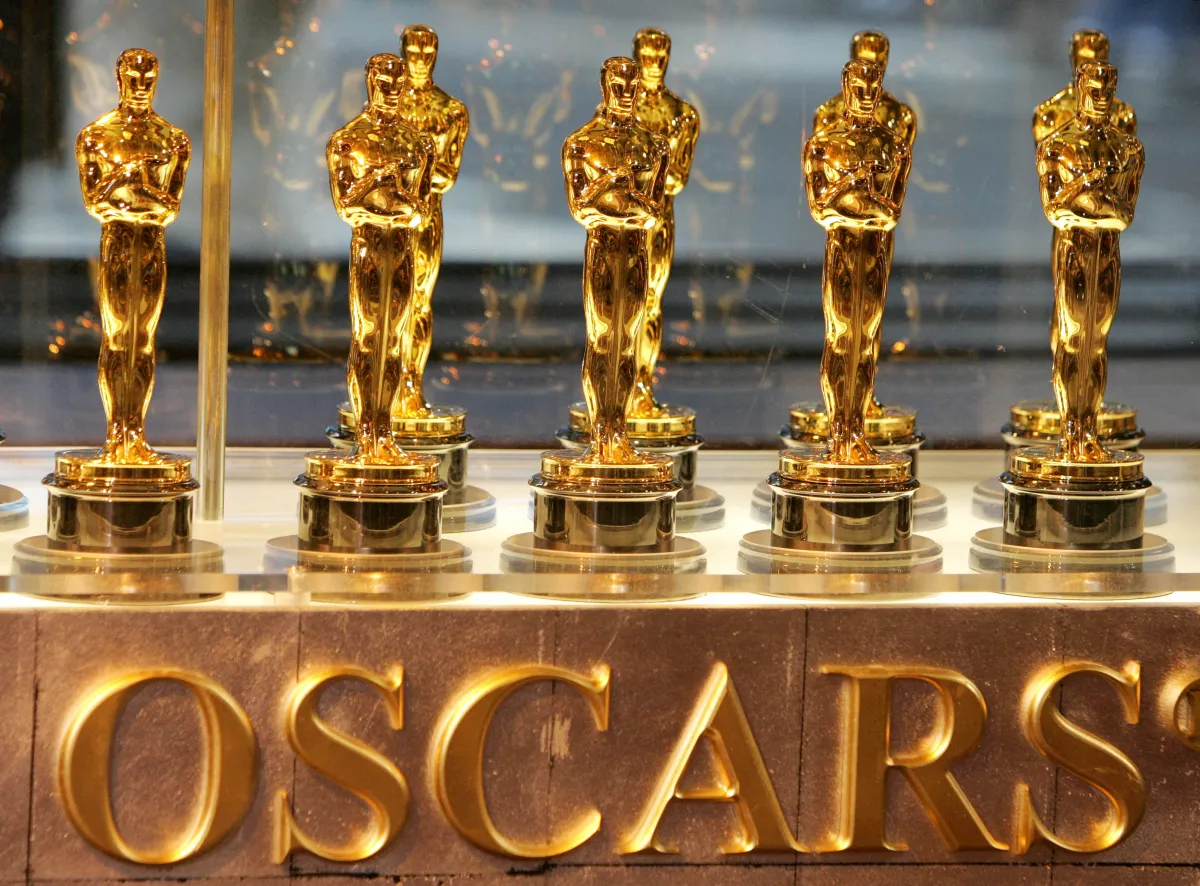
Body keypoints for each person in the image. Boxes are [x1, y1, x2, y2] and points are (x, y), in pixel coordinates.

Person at [76, 48, 190, 464]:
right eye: (134, 78)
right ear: (119, 77)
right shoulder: (96, 137)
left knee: (142, 339)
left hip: (151, 243)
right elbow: (95, 201)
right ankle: (115, 433)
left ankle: (135, 432)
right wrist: (135, 185)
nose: (141, 86)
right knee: (116, 335)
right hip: (118, 241)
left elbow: (169, 207)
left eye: (148, 78)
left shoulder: (172, 139)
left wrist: (128, 189)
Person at [327, 53, 434, 462]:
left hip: (402, 246)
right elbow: (348, 207)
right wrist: (379, 181)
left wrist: (391, 197)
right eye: (383, 80)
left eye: (396, 81)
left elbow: (421, 210)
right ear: (369, 80)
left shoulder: (417, 142)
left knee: (394, 341)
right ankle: (365, 433)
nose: (390, 89)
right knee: (369, 337)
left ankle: (384, 431)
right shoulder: (348, 140)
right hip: (370, 244)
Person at [803, 60, 912, 464]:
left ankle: (856, 430)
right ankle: (839, 433)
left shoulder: (893, 145)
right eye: (859, 86)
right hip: (843, 246)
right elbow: (821, 208)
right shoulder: (823, 143)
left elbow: (891, 213)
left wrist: (856, 200)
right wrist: (858, 191)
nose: (866, 94)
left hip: (874, 249)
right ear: (846, 86)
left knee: (864, 340)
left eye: (873, 86)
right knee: (840, 337)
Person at [562, 57, 670, 463]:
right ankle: (600, 433)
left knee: (628, 342)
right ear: (604, 85)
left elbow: (654, 210)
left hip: (637, 248)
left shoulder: (654, 144)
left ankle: (618, 432)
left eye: (632, 85)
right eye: (618, 84)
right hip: (604, 247)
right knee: (603, 339)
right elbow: (582, 207)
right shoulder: (582, 143)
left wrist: (620, 200)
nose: (626, 92)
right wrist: (617, 188)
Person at [1038, 61, 1144, 463]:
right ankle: (1070, 432)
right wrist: (1095, 196)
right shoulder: (1057, 145)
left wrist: (1085, 202)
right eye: (1093, 88)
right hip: (1075, 251)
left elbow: (1124, 215)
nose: (1100, 97)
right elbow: (1055, 209)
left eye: (1107, 89)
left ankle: (1090, 432)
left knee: (1096, 343)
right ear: (1079, 86)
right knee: (1071, 339)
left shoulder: (1128, 148)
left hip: (1107, 254)